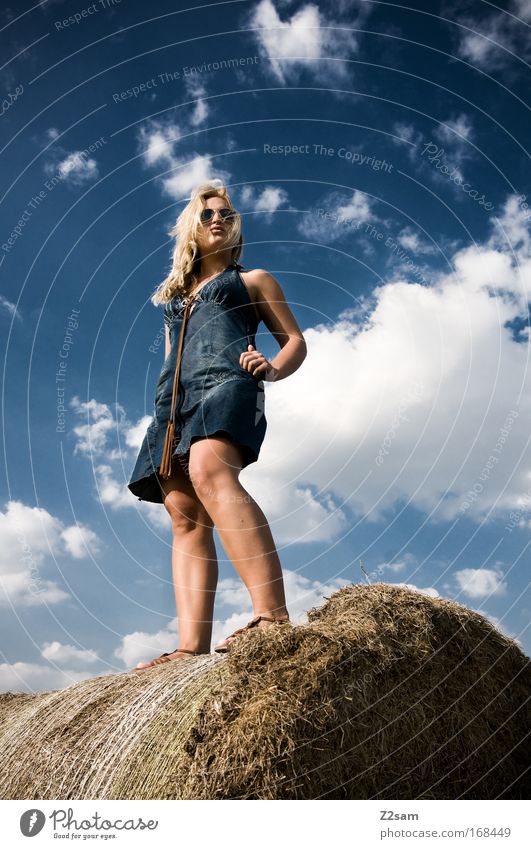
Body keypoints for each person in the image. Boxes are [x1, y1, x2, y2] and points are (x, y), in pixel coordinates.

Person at [128, 181, 307, 669]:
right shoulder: (175, 300)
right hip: (172, 406)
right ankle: (190, 647)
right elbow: (171, 358)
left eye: (226, 214)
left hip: (228, 382)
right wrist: (164, 408)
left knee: (210, 469)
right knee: (183, 512)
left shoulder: (253, 281)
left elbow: (294, 341)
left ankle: (271, 616)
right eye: (208, 214)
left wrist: (271, 367)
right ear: (192, 227)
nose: (218, 220)